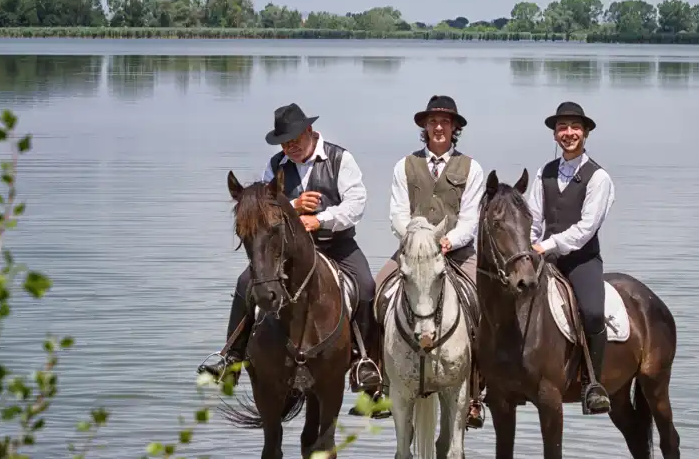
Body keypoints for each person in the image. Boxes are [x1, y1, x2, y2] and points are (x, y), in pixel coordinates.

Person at [197, 103, 383, 395]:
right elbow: (262, 209)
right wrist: (295, 207)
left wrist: (319, 220)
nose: (290, 147)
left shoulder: (340, 159)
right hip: (288, 252)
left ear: (309, 131)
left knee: (367, 286)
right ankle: (231, 356)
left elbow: (356, 205)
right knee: (246, 282)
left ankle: (364, 361)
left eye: (294, 140)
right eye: (285, 143)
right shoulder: (275, 165)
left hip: (337, 245)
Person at [369, 94, 487, 428]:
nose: (438, 127)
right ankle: (380, 382)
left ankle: (477, 393)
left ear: (454, 128)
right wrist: (416, 240)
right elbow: (397, 213)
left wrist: (450, 240)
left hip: (457, 251)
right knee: (373, 293)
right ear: (424, 126)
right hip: (412, 250)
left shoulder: (472, 168)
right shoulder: (403, 165)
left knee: (486, 307)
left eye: (445, 122)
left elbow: (470, 218)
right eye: (433, 121)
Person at [525, 101, 615, 415]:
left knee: (591, 312)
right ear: (555, 134)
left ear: (586, 132)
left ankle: (594, 383)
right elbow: (534, 218)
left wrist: (546, 245)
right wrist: (530, 245)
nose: (568, 133)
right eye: (562, 127)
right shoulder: (544, 173)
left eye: (575, 127)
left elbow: (585, 229)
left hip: (582, 260)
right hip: (544, 257)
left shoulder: (598, 177)